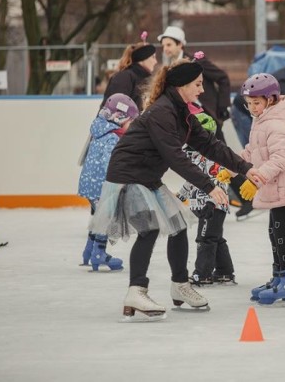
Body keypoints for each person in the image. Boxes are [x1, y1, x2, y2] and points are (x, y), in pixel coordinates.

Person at [89, 57, 265, 321]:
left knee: (178, 224)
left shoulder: (180, 110)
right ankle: (136, 291)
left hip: (146, 175)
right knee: (149, 230)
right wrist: (207, 186)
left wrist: (245, 167)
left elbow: (210, 145)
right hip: (129, 175)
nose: (202, 90)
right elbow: (175, 156)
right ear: (182, 85)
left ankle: (180, 286)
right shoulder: (162, 112)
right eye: (198, 84)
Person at [221, 73, 285, 306]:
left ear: (270, 99)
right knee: (275, 233)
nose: (252, 108)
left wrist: (255, 179)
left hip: (284, 186)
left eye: (256, 103)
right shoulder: (262, 120)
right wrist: (231, 169)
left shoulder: (277, 123)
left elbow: (281, 158)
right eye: (249, 104)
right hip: (275, 186)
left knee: (280, 234)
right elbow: (252, 151)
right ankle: (279, 277)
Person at [78, 93, 139, 271]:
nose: (131, 127)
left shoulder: (100, 132)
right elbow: (110, 165)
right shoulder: (112, 138)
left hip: (90, 185)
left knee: (98, 218)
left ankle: (88, 251)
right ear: (119, 118)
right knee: (105, 219)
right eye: (130, 122)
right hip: (102, 186)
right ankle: (99, 253)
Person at [176, 113, 236, 285]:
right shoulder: (194, 155)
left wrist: (211, 202)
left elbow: (221, 181)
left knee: (205, 238)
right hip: (200, 204)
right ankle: (225, 271)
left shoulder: (214, 156)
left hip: (212, 207)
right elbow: (191, 179)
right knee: (215, 237)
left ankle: (202, 274)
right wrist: (181, 195)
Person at [158, 26, 231, 142]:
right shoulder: (170, 65)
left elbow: (222, 77)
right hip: (188, 115)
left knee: (218, 147)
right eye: (163, 46)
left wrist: (222, 106)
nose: (165, 49)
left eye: (169, 45)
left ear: (180, 44)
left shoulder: (196, 61)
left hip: (206, 112)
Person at [101, 41, 157, 111]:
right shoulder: (124, 77)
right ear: (143, 58)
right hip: (111, 121)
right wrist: (133, 114)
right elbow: (116, 105)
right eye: (153, 57)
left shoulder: (141, 79)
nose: (156, 61)